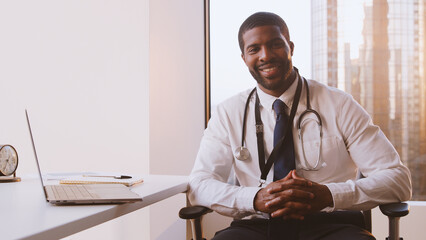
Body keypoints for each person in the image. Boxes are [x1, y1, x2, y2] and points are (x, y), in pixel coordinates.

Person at [188, 12, 412, 240]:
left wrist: (328, 195)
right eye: (254, 49)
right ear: (244, 58)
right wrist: (255, 198)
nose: (265, 55)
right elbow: (199, 184)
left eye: (275, 45)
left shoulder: (340, 104)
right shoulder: (228, 113)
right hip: (256, 224)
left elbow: (397, 179)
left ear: (290, 47)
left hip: (332, 223)